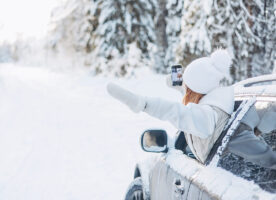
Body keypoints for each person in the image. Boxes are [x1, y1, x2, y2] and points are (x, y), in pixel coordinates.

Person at [107, 49, 276, 169]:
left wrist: (141, 103)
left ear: (193, 90)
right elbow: (194, 88)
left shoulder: (205, 117)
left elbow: (172, 110)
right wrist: (176, 82)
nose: (184, 91)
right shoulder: (218, 101)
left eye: (186, 88)